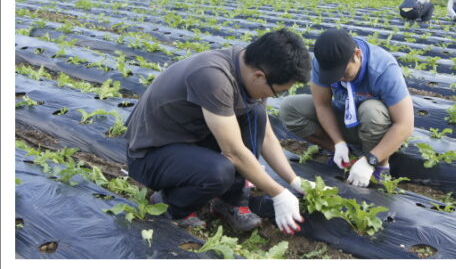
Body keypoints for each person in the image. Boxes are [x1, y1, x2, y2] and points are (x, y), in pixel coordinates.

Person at [124, 29, 318, 234]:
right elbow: (233, 151)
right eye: (278, 91)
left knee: (256, 116)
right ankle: (172, 205)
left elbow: (267, 135)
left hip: (190, 140)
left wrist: (293, 180)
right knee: (220, 171)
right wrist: (278, 193)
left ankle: (230, 201)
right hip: (150, 154)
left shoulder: (248, 70)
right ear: (259, 76)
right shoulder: (213, 76)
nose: (277, 95)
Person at [280, 29, 414, 188]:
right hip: (345, 118)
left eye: (343, 72)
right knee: (290, 108)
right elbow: (322, 105)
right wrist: (338, 143)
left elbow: (405, 125)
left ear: (357, 54)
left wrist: (371, 160)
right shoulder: (322, 63)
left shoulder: (383, 68)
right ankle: (347, 156)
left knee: (371, 110)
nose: (339, 78)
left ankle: (379, 166)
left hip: (377, 129)